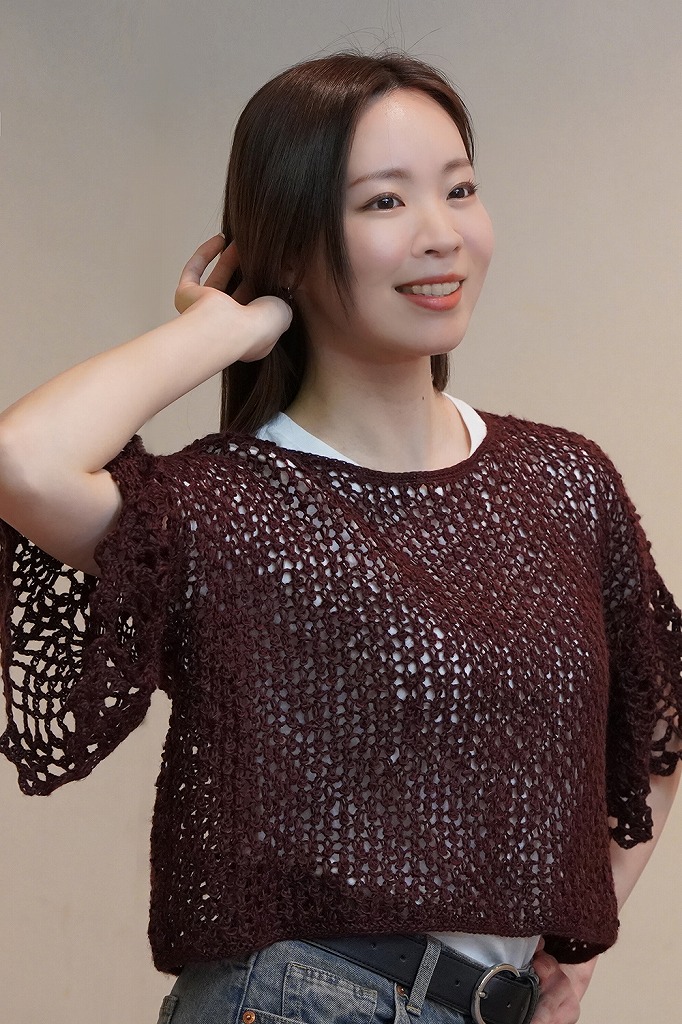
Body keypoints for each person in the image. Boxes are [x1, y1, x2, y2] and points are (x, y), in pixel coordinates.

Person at [0, 51, 679, 1024]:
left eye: (459, 189)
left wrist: (575, 949)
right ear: (290, 242)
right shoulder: (228, 508)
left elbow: (658, 723)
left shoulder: (564, 481)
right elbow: (24, 460)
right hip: (299, 1001)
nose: (442, 234)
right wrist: (222, 331)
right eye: (384, 202)